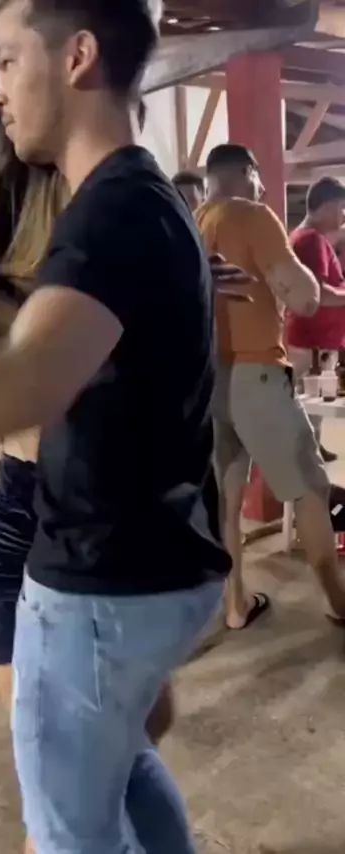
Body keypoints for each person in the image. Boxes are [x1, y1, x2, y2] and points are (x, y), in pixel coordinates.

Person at [0, 1, 232, 852]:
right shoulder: (137, 202)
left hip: (99, 583)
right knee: (126, 769)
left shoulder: (112, 213)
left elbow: (26, 381)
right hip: (159, 566)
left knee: (69, 835)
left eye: (4, 58)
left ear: (77, 57)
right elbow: (41, 350)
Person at [196, 142, 345, 632]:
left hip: (211, 379)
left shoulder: (193, 221)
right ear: (248, 172)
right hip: (257, 374)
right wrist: (308, 285)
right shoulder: (253, 215)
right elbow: (303, 297)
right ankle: (339, 603)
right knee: (310, 488)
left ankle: (236, 604)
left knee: (228, 500)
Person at [287, 176, 345, 463]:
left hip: (311, 340)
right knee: (309, 405)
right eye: (341, 208)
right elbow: (319, 293)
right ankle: (309, 465)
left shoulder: (303, 236)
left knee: (311, 406)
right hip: (312, 342)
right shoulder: (311, 240)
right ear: (326, 206)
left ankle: (313, 455)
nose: (343, 215)